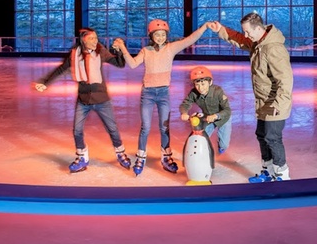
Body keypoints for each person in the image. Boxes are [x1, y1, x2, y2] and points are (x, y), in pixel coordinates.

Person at [112, 19, 210, 175]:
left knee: (164, 127)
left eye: (163, 34)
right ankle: (141, 156)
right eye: (157, 35)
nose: (160, 37)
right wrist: (123, 47)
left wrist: (204, 27)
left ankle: (166, 156)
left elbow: (190, 39)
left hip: (163, 93)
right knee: (145, 127)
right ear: (151, 35)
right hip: (148, 94)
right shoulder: (146, 50)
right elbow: (132, 64)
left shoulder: (171, 48)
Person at [207, 13, 293, 182]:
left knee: (272, 138)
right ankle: (268, 171)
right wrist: (221, 30)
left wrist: (279, 103)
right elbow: (239, 39)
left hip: (275, 103)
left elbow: (286, 78)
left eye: (248, 31)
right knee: (262, 135)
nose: (246, 35)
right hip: (262, 101)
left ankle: (282, 176)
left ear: (259, 28)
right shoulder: (258, 43)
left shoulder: (273, 48)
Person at [34, 27, 132, 173]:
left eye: (96, 38)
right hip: (83, 100)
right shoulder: (75, 54)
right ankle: (82, 157)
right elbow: (61, 69)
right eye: (91, 38)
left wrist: (118, 50)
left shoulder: (101, 51)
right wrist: (45, 82)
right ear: (83, 40)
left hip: (101, 99)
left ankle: (120, 153)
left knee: (112, 129)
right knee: (77, 130)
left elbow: (120, 64)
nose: (95, 41)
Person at [179, 65, 232, 154]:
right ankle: (201, 153)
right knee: (200, 137)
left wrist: (216, 116)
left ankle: (221, 145)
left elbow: (227, 110)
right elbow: (185, 104)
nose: (200, 88)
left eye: (203, 84)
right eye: (197, 84)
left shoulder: (218, 91)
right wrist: (184, 113)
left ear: (210, 82)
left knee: (224, 145)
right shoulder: (194, 93)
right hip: (207, 118)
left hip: (223, 119)